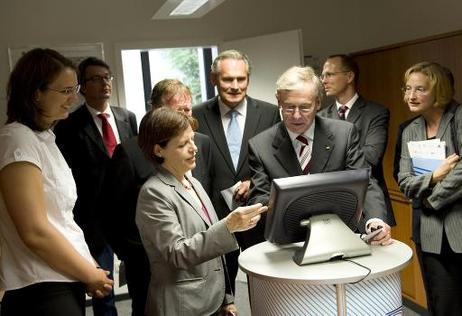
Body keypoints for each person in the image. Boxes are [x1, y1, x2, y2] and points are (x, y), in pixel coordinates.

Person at [0, 48, 113, 316]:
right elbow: (35, 231)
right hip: (40, 287)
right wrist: (89, 272)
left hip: (60, 276)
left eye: (74, 89)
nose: (73, 99)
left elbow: (60, 220)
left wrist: (86, 268)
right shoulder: (17, 139)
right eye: (64, 92)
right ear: (35, 93)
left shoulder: (43, 138)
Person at [135, 107, 267, 316]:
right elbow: (177, 254)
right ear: (158, 150)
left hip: (210, 300)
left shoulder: (192, 181)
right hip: (182, 306)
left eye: (192, 140)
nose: (194, 148)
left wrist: (227, 298)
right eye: (183, 144)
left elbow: (213, 252)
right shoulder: (153, 193)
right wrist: (229, 226)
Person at [99, 79, 213, 316]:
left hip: (199, 260)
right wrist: (133, 255)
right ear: (155, 110)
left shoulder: (201, 144)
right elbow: (110, 213)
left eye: (187, 110)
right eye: (176, 110)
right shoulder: (130, 152)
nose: (183, 117)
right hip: (149, 264)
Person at [246, 66, 392, 248]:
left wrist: (375, 220)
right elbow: (260, 197)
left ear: (318, 102)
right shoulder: (260, 145)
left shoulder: (343, 134)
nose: (296, 115)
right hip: (289, 243)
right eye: (289, 107)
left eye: (305, 107)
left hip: (341, 237)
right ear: (278, 101)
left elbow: (365, 182)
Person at [54, 57, 138, 316]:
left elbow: (134, 161)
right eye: (96, 78)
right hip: (92, 219)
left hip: (128, 214)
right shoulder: (68, 124)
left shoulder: (128, 117)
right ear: (82, 86)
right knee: (103, 288)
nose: (104, 83)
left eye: (107, 77)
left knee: (137, 279)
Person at [193, 49, 280, 289]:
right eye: (227, 79)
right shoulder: (197, 115)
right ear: (213, 80)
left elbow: (278, 162)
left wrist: (253, 181)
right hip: (217, 218)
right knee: (221, 286)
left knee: (264, 285)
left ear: (248, 79)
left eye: (241, 79)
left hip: (258, 213)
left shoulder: (270, 113)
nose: (234, 85)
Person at [397, 61, 462, 316]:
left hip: (458, 225)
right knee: (442, 304)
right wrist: (434, 176)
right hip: (430, 233)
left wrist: (432, 200)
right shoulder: (410, 131)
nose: (411, 96)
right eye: (407, 88)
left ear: (439, 90)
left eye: (420, 89)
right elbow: (404, 180)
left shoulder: (458, 118)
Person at [319, 54, 395, 226]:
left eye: (329, 74)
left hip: (369, 203)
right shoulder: (320, 117)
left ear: (349, 76)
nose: (324, 80)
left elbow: (372, 156)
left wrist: (333, 159)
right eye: (322, 76)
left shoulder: (376, 112)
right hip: (332, 206)